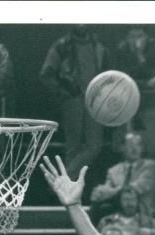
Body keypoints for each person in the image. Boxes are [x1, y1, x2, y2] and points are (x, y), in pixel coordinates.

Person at [39, 26, 110, 176]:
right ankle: (69, 191)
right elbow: (46, 74)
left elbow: (108, 73)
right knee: (73, 147)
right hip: (73, 101)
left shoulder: (99, 45)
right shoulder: (62, 45)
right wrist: (63, 91)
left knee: (95, 146)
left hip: (95, 101)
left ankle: (65, 178)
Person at [90, 132, 155, 220]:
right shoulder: (113, 170)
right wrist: (102, 192)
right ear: (122, 148)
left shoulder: (151, 166)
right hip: (117, 210)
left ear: (142, 148)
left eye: (138, 145)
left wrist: (111, 191)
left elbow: (136, 188)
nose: (134, 149)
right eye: (130, 145)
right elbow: (102, 192)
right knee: (99, 204)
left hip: (141, 209)